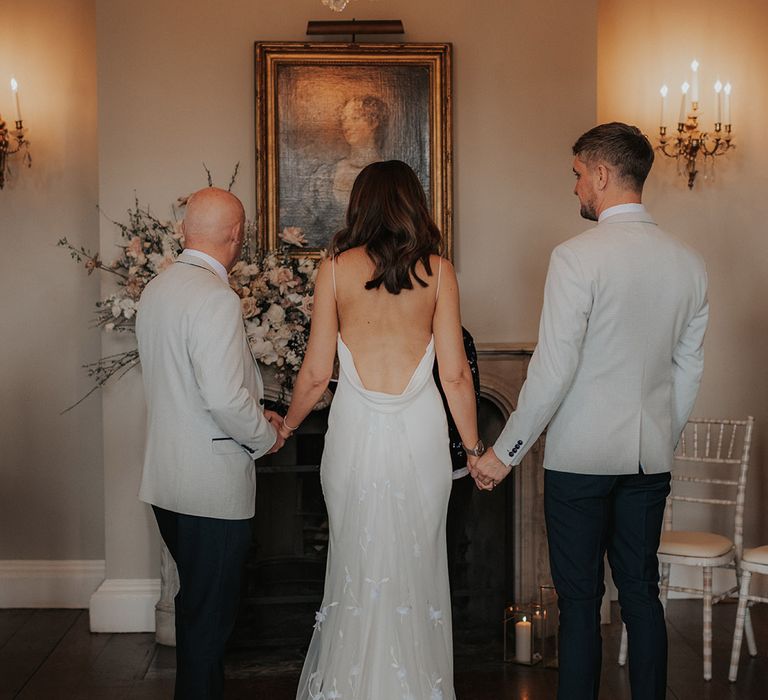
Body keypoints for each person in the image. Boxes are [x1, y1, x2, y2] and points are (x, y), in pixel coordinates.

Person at [472, 123, 708, 700]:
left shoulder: (576, 258)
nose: (575, 187)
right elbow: (688, 372)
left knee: (580, 604)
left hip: (579, 462)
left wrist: (503, 454)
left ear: (602, 175)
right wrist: (657, 439)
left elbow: (553, 369)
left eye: (578, 175)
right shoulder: (689, 264)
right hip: (648, 459)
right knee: (641, 594)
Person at [278, 160, 481, 700]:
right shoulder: (439, 270)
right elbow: (455, 375)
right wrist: (477, 451)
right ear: (414, 204)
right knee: (417, 567)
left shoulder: (335, 269)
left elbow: (318, 372)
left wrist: (287, 427)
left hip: (354, 437)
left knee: (354, 561)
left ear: (359, 205)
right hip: (420, 438)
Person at [136, 187, 283, 700]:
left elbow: (183, 387)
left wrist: (249, 409)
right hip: (211, 489)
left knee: (195, 610)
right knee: (208, 627)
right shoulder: (215, 297)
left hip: (167, 481)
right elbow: (222, 397)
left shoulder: (157, 289)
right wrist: (266, 436)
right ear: (237, 235)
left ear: (185, 230)